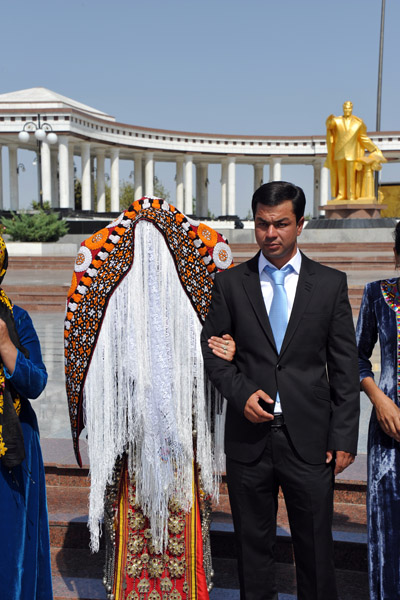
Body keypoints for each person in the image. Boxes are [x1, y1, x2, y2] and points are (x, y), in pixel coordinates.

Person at [64, 197, 235, 600]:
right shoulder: (195, 257)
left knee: (178, 518)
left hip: (172, 428)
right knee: (140, 516)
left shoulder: (111, 262)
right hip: (138, 433)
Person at [201, 181, 360, 600]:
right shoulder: (232, 284)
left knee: (315, 549)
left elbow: (344, 367)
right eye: (261, 224)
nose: (270, 234)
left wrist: (343, 436)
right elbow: (213, 352)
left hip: (309, 441)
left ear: (300, 224)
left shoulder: (329, 285)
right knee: (253, 551)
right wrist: (240, 393)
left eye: (281, 224)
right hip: (248, 442)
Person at [0, 235, 52, 600]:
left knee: (11, 548)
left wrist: (5, 346)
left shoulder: (16, 318)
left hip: (12, 452)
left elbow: (37, 382)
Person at [356, 221, 400, 600]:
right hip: (389, 427)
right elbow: (353, 359)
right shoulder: (377, 295)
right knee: (388, 525)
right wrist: (378, 398)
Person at [325, 100, 385, 201]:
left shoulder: (358, 123)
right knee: (341, 176)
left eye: (349, 108)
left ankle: (351, 195)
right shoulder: (337, 121)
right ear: (343, 109)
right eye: (345, 108)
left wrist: (374, 149)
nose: (347, 110)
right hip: (339, 152)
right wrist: (329, 119)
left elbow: (363, 138)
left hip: (351, 154)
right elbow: (329, 126)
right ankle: (341, 194)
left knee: (351, 176)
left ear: (352, 109)